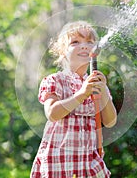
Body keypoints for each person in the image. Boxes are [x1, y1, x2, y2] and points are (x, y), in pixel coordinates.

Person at [30, 21, 117, 178]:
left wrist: (103, 90)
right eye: (75, 42)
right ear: (63, 52)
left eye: (89, 42)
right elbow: (52, 113)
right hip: (59, 163)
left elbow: (110, 121)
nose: (84, 46)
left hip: (88, 164)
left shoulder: (97, 83)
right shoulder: (56, 80)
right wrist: (82, 94)